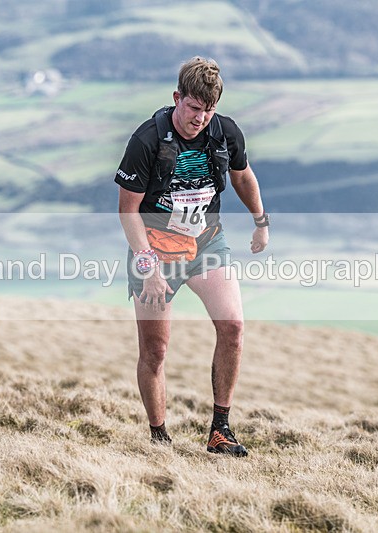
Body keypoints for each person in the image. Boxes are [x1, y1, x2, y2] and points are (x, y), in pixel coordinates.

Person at [115, 56, 269, 457]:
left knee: (233, 327)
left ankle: (220, 430)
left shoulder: (225, 132)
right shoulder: (147, 140)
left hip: (206, 244)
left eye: (208, 110)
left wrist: (261, 221)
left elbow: (243, 176)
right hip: (153, 248)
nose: (200, 118)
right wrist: (147, 267)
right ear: (177, 98)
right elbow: (127, 211)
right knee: (156, 350)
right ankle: (159, 437)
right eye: (193, 108)